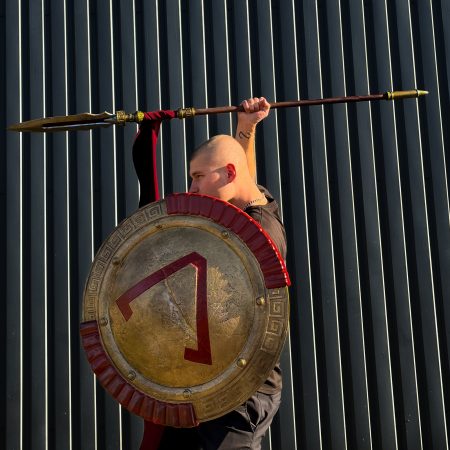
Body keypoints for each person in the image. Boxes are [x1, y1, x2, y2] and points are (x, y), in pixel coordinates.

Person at [158, 97, 287, 450]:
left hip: (242, 389)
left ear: (227, 174)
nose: (193, 188)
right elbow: (244, 180)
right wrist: (246, 130)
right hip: (213, 381)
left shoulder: (258, 234)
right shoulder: (257, 206)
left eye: (198, 177)